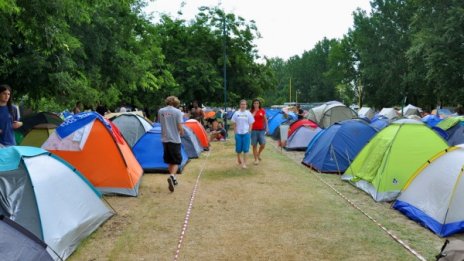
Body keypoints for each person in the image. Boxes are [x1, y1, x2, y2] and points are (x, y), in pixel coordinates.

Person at [158, 96, 184, 192]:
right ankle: (172, 176)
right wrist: (182, 132)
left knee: (169, 160)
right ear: (176, 103)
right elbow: (179, 125)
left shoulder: (161, 111)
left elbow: (160, 122)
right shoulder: (177, 112)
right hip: (175, 139)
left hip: (164, 139)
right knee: (177, 161)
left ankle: (174, 179)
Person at [231, 100, 255, 169]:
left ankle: (244, 163)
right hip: (238, 133)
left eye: (244, 104)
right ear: (240, 105)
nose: (243, 105)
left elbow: (251, 123)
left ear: (246, 105)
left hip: (246, 133)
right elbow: (234, 123)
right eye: (242, 104)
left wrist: (249, 131)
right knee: (238, 148)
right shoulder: (236, 113)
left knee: (246, 149)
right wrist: (235, 132)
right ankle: (238, 158)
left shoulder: (248, 113)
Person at [250, 99, 268, 165]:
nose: (256, 104)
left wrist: (267, 127)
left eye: (257, 103)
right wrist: (255, 112)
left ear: (259, 104)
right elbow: (250, 119)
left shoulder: (262, 111)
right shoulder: (251, 111)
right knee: (254, 145)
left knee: (263, 144)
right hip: (253, 130)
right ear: (253, 104)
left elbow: (265, 120)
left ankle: (258, 154)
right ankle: (256, 159)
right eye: (255, 103)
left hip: (261, 130)